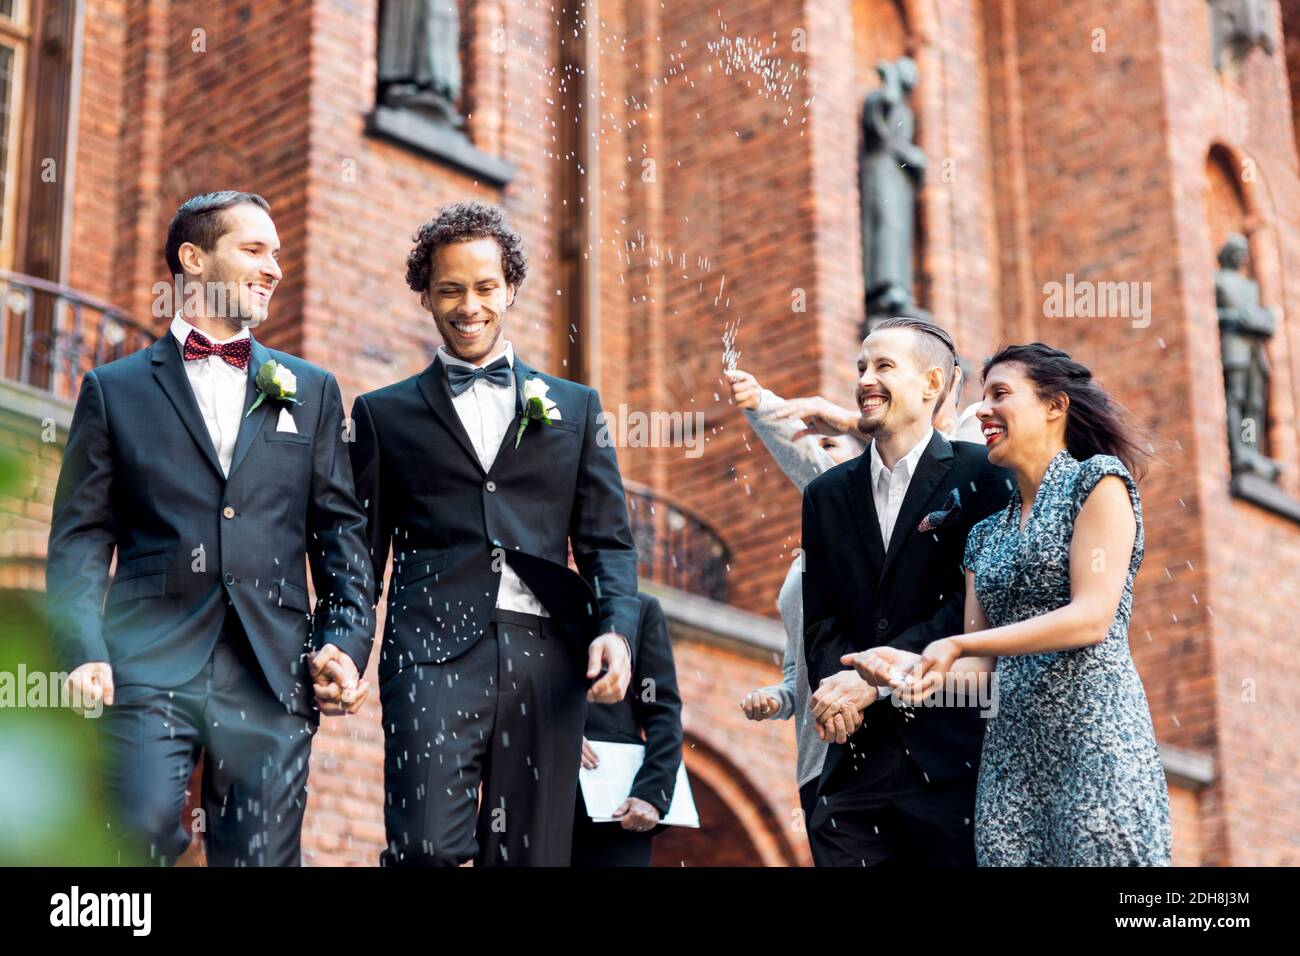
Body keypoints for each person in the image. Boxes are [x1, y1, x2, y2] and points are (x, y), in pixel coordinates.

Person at [46, 191, 374, 866]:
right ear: (194, 259)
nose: (273, 268)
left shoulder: (310, 391)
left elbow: (341, 538)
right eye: (253, 250)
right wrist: (82, 650)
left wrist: (342, 642)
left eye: (276, 254)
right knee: (133, 836)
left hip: (272, 669)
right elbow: (80, 537)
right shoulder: (113, 390)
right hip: (146, 662)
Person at [348, 201, 638, 867]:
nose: (468, 306)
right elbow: (361, 560)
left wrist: (615, 631)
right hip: (428, 655)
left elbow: (607, 542)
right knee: (423, 848)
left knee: (531, 857)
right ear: (425, 295)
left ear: (510, 288)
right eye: (449, 289)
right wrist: (345, 649)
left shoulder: (577, 407)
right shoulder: (382, 415)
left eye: (484, 288)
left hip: (548, 663)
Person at [855, 343, 1172, 865]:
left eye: (1000, 393)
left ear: (1055, 405)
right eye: (982, 397)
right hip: (1011, 764)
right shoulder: (984, 534)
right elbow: (980, 671)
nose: (982, 410)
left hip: (1096, 742)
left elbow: (1091, 617)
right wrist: (908, 669)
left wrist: (956, 641)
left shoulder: (1097, 483)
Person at [800, 316, 1013, 866]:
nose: (866, 379)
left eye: (884, 366)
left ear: (932, 383)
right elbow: (820, 618)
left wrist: (875, 678)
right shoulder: (824, 495)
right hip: (855, 764)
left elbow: (971, 614)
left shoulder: (984, 474)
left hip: (952, 759)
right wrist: (838, 693)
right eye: (862, 367)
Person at [728, 368, 860, 824]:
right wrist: (777, 698)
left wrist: (763, 404)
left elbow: (815, 467)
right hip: (813, 756)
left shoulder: (866, 518)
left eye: (828, 445)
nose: (814, 456)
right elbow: (797, 667)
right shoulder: (797, 568)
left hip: (867, 740)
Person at [572, 592, 682, 867]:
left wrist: (652, 793)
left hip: (612, 809)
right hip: (532, 794)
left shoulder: (641, 608)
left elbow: (662, 710)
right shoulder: (522, 597)